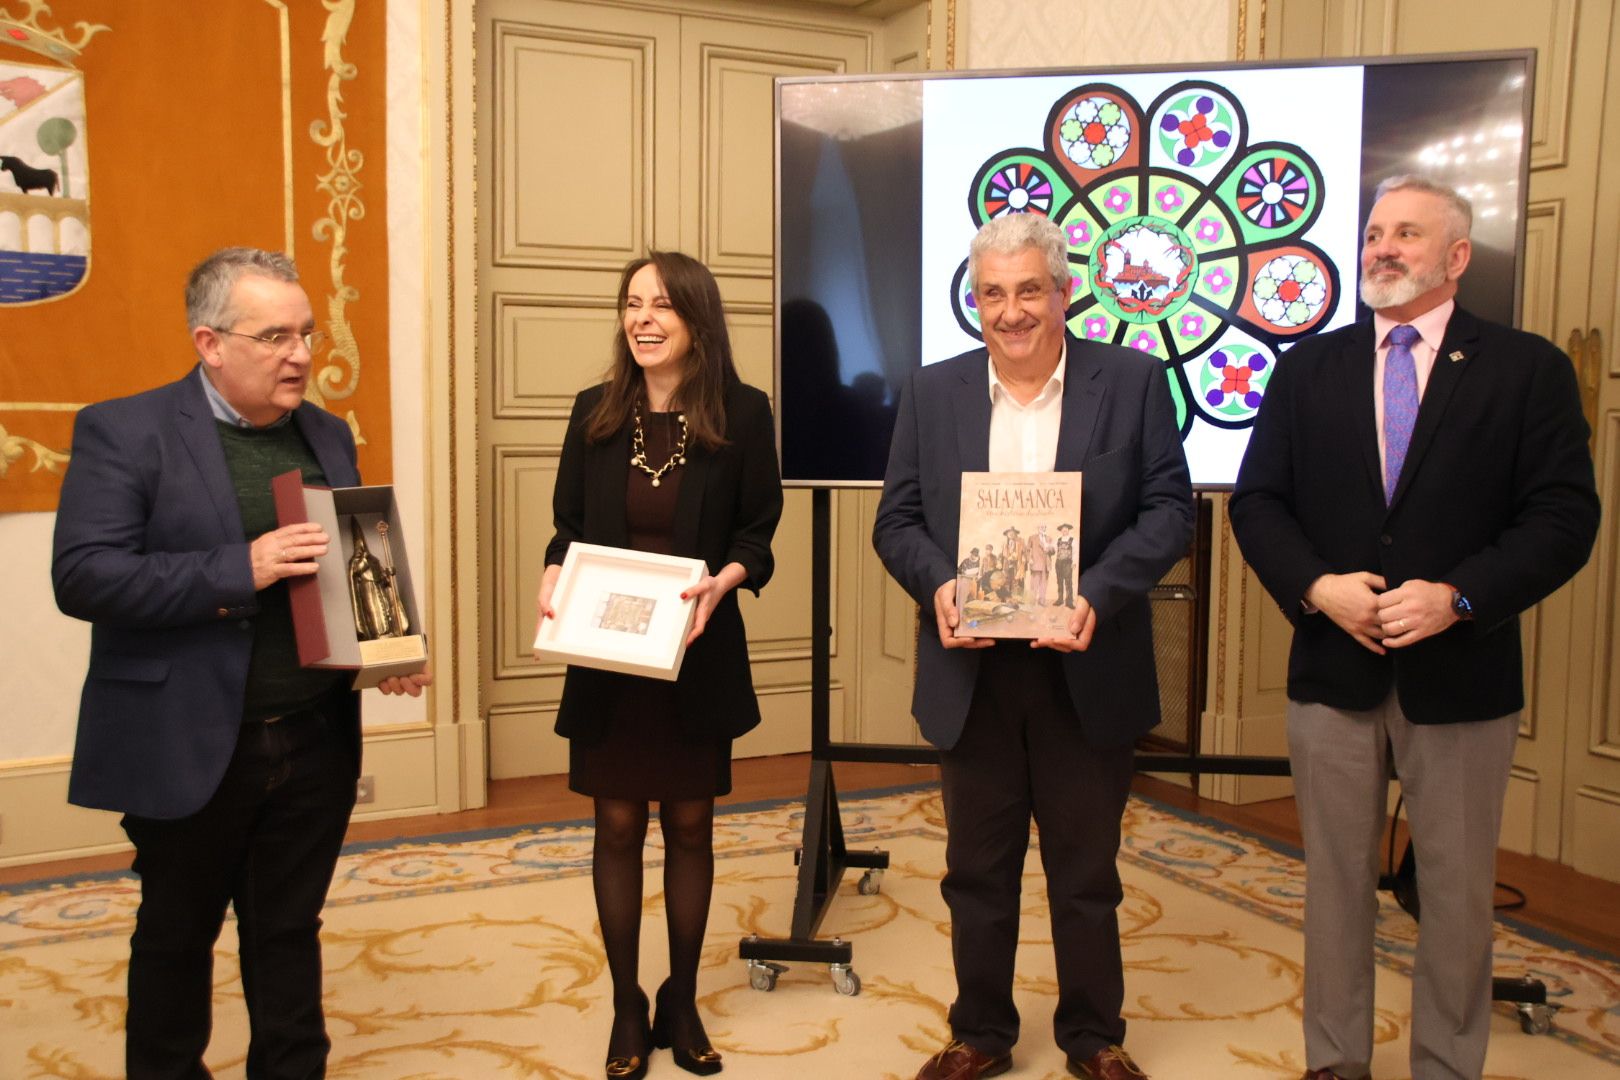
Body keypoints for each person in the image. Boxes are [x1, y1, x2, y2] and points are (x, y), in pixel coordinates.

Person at [1229, 176, 1599, 1080]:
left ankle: (1445, 1065)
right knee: (1336, 888)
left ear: (1457, 257)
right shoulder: (1307, 365)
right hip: (1334, 665)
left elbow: (1562, 519)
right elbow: (1258, 502)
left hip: (1463, 676)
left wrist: (1457, 597)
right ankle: (1334, 1064)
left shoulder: (1528, 369)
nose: (1382, 247)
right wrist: (1319, 588)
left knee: (1460, 894)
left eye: (1406, 233)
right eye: (1373, 231)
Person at [51, 247, 431, 1078]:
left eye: (306, 333)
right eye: (274, 337)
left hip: (313, 736)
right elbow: (83, 577)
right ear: (209, 343)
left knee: (289, 929)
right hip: (183, 737)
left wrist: (386, 648)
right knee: (178, 935)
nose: (301, 354)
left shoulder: (328, 434)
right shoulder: (127, 429)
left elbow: (347, 565)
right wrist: (242, 567)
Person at [873, 212, 1193, 1080]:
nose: (1010, 312)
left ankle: (1094, 1037)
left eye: (1027, 291)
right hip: (971, 673)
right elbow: (896, 519)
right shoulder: (933, 391)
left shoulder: (1129, 382)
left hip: (1085, 667)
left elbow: (1172, 511)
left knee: (1085, 873)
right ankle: (981, 1032)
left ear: (1064, 291)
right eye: (991, 293)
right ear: (974, 301)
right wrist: (940, 583)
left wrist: (1095, 593)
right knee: (976, 871)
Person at [536, 250, 783, 1080]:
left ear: (696, 320)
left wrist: (731, 577)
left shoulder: (744, 414)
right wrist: (550, 571)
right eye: (632, 304)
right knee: (615, 826)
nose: (642, 318)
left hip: (695, 652)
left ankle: (681, 997)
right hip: (607, 659)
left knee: (688, 826)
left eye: (661, 306)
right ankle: (626, 1006)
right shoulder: (592, 412)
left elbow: (757, 531)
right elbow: (567, 528)